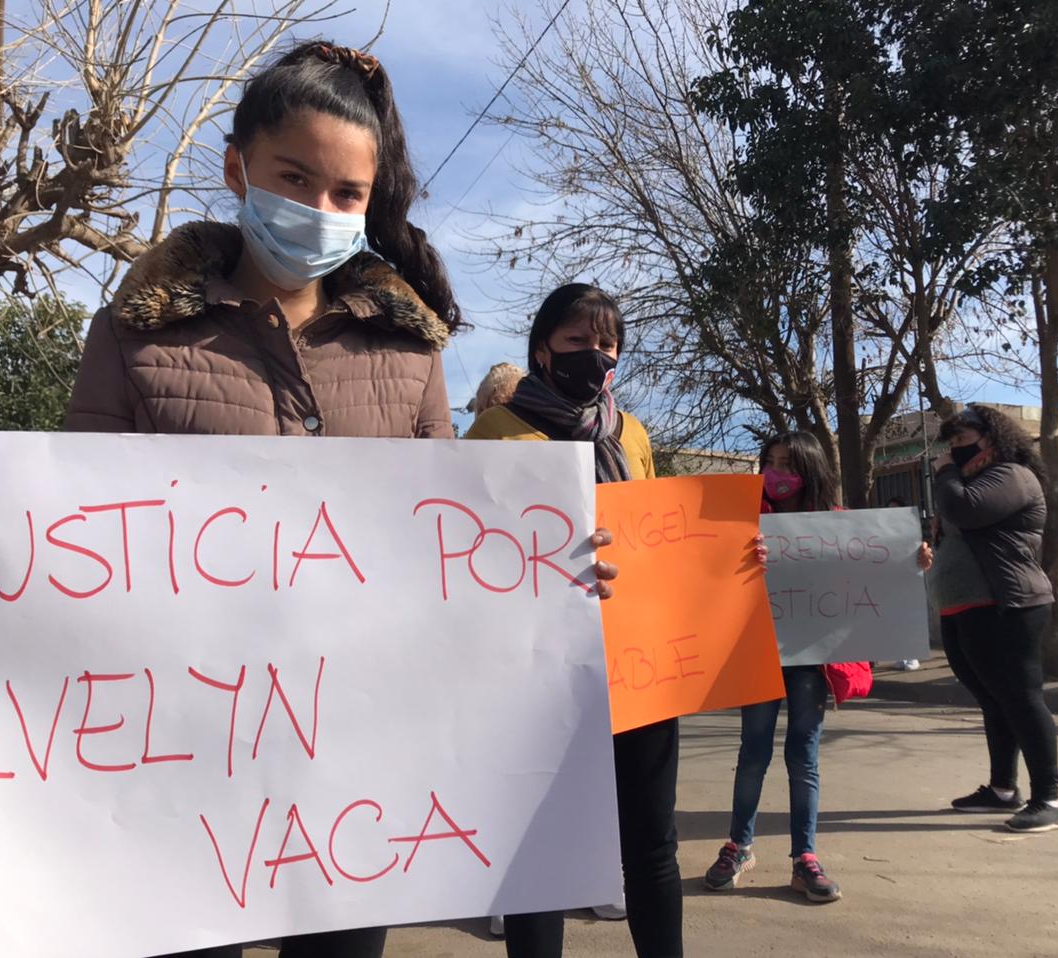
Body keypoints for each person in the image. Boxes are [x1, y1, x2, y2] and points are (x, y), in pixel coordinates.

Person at [63, 41, 616, 958]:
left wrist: (553, 575)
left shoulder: (409, 355)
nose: (318, 210)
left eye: (346, 195)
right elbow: (73, 545)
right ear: (238, 167)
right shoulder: (135, 336)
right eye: (293, 177)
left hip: (355, 778)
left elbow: (457, 551)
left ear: (369, 203)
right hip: (180, 767)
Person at [467, 284, 680, 958]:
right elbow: (466, 548)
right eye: (576, 342)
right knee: (541, 852)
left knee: (651, 844)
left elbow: (663, 537)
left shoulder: (634, 433)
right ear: (542, 350)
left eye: (606, 345)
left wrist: (726, 554)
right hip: (538, 668)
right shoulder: (498, 431)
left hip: (639, 661)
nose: (594, 356)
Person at [704, 433, 932, 902]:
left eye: (786, 464)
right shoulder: (743, 522)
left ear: (809, 469)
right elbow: (710, 573)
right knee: (753, 752)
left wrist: (913, 561)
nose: (775, 473)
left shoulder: (840, 527)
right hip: (759, 653)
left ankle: (803, 857)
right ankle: (739, 845)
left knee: (802, 756)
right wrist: (740, 561)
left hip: (812, 661)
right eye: (768, 463)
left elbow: (878, 570)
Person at [928, 404, 1058, 833]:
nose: (954, 449)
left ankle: (1050, 798)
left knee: (1021, 697)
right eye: (951, 442)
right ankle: (1002, 789)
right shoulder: (971, 480)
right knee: (994, 699)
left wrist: (944, 473)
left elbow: (965, 510)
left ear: (992, 437)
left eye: (963, 438)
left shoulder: (1010, 475)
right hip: (964, 608)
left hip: (1005, 605)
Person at [882, 497, 921, 670]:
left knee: (908, 617)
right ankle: (900, 656)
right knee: (894, 618)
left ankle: (912, 656)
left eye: (895, 509)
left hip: (907, 577)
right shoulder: (884, 530)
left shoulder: (910, 529)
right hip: (890, 579)